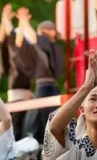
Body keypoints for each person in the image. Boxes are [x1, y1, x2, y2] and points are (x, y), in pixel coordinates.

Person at [13, 7, 63, 148]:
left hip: (46, 88)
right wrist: (22, 25)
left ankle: (43, 149)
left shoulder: (51, 46)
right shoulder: (50, 46)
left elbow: (34, 39)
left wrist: (24, 22)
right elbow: (22, 44)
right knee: (41, 120)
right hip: (45, 87)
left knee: (43, 120)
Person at [0, 3, 34, 140]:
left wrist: (9, 19)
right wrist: (5, 19)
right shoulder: (16, 46)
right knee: (16, 126)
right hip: (17, 87)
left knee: (20, 126)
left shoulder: (25, 39)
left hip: (22, 85)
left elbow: (14, 40)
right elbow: (5, 38)